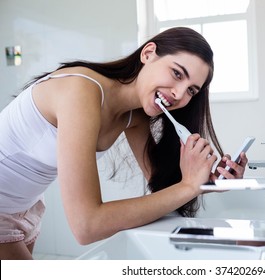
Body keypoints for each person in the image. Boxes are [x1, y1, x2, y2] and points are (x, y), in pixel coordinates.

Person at [0, 27, 248, 259]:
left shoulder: (136, 116)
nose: (179, 94)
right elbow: (86, 226)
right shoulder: (80, 92)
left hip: (26, 206)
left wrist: (205, 182)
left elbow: (163, 189)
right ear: (148, 54)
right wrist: (188, 186)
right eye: (176, 73)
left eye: (192, 90)